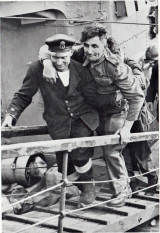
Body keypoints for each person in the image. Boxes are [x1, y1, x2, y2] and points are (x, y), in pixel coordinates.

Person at [2, 34, 123, 208]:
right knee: (65, 164)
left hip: (83, 118)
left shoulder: (81, 69)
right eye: (56, 57)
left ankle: (88, 188)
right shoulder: (37, 69)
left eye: (64, 57)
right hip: (59, 122)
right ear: (49, 54)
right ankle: (79, 186)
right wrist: (10, 115)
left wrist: (116, 100)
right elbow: (23, 95)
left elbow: (93, 98)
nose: (60, 62)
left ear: (70, 53)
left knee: (79, 153)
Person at [38, 23, 144, 207]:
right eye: (86, 45)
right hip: (95, 111)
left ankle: (121, 190)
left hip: (116, 111)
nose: (89, 51)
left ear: (104, 45)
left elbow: (136, 97)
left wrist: (127, 127)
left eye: (95, 46)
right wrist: (47, 62)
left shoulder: (115, 67)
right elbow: (46, 49)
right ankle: (84, 187)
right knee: (79, 145)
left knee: (111, 148)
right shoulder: (80, 53)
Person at [107, 38, 158, 196]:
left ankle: (152, 180)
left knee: (140, 149)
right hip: (116, 115)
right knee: (124, 152)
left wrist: (125, 87)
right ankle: (132, 185)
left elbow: (144, 81)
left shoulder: (130, 63)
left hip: (134, 114)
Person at [145, 43, 159, 122]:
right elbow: (153, 84)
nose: (152, 65)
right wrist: (150, 99)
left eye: (154, 62)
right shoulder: (156, 68)